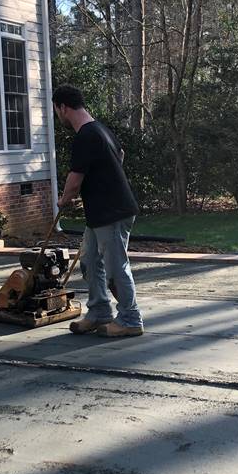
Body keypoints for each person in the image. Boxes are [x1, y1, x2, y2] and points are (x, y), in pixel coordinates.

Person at [54, 84, 143, 337]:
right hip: (100, 212)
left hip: (112, 213)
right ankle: (99, 313)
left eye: (56, 110)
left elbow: (74, 180)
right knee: (90, 260)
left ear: (63, 107)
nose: (58, 116)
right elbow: (120, 155)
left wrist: (65, 200)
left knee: (116, 267)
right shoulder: (101, 129)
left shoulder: (85, 135)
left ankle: (130, 318)